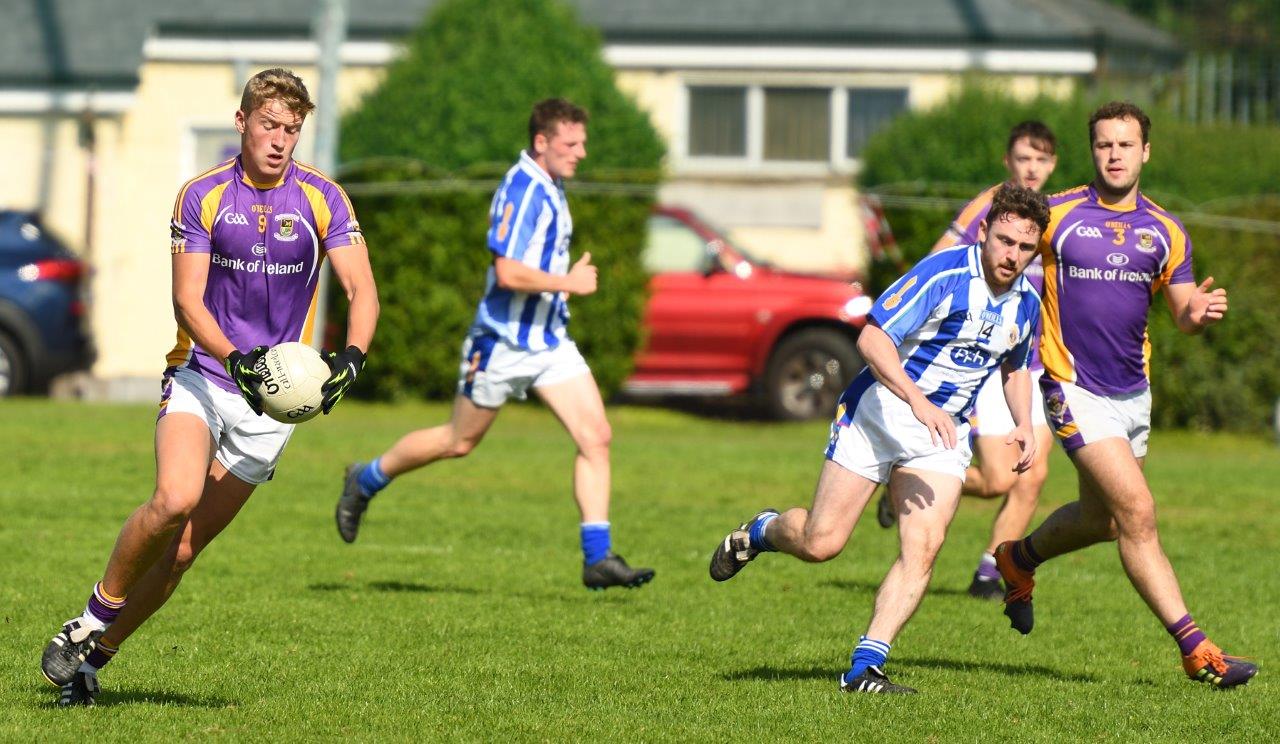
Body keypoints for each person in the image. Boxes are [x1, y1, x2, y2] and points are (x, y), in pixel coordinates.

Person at [39, 68, 379, 706]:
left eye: (293, 129)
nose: (280, 140)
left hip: (274, 403)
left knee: (186, 548)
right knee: (174, 499)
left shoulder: (324, 198)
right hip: (205, 374)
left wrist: (351, 359)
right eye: (270, 124)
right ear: (243, 122)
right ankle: (86, 619)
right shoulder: (202, 194)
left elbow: (362, 290)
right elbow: (188, 301)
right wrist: (239, 360)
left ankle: (93, 663)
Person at [710, 184, 1049, 693]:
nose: (1012, 256)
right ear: (984, 232)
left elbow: (1017, 369)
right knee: (822, 543)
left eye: (1025, 248)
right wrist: (916, 399)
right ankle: (764, 531)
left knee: (925, 547)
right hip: (879, 414)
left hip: (942, 431)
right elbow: (871, 338)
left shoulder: (1026, 301)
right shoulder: (944, 274)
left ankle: (864, 666)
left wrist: (1022, 422)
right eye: (1004, 241)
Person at [335, 99, 654, 591]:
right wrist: (568, 282)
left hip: (548, 340)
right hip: (502, 342)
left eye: (583, 142)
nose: (582, 153)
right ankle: (366, 479)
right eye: (572, 144)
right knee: (457, 441)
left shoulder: (551, 183)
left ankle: (597, 557)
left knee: (597, 436)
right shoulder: (523, 189)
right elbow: (506, 272)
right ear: (542, 142)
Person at [993, 101, 1256, 689]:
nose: (1114, 154)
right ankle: (1197, 650)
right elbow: (1000, 250)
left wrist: (1199, 312)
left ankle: (1018, 558)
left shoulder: (1165, 229)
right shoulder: (1058, 214)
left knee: (1103, 519)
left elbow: (1183, 311)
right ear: (1094, 151)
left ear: (1145, 152)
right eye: (1104, 145)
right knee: (1137, 512)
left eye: (1125, 144)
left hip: (1133, 394)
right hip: (1070, 385)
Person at [876, 121, 1058, 601]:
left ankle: (990, 571)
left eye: (1040, 160)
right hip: (982, 359)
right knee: (999, 479)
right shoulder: (989, 206)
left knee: (1033, 473)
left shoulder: (1051, 214)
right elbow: (937, 260)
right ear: (1008, 162)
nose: (1032, 168)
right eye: (1023, 158)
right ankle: (901, 484)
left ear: (1053, 165)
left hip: (1031, 362)